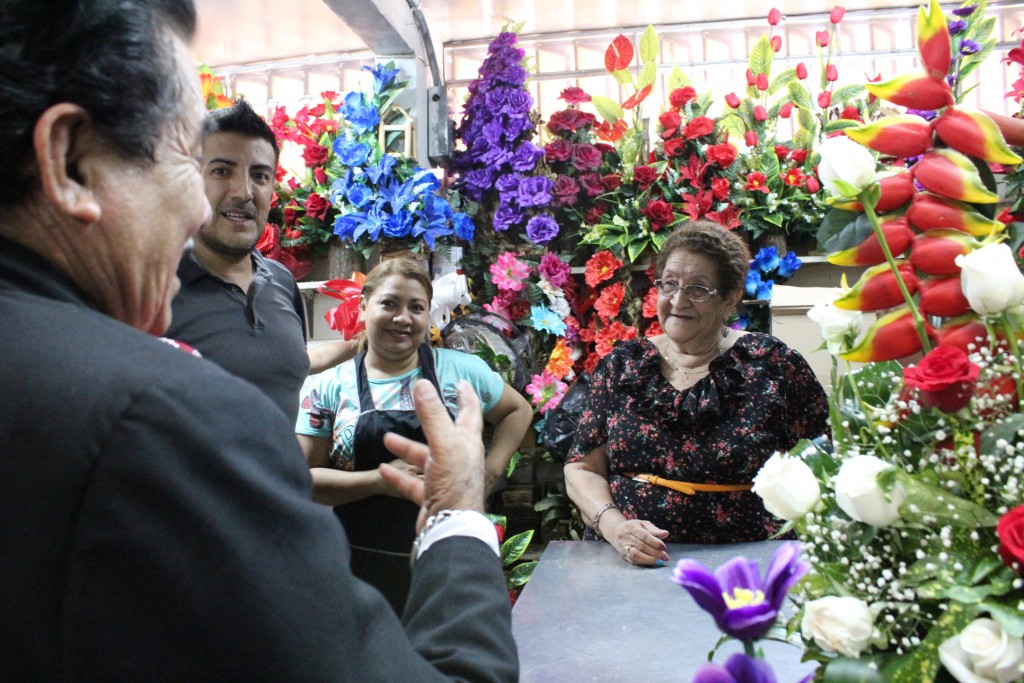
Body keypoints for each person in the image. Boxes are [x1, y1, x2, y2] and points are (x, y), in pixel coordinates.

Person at [0, 1, 518, 679]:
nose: (203, 209)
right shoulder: (163, 416)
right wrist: (455, 511)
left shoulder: (266, 289)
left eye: (259, 175)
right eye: (191, 162)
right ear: (68, 160)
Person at [564, 221, 829, 566]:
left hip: (749, 564)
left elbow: (821, 462)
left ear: (731, 298)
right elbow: (582, 468)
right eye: (669, 284)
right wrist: (616, 528)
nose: (678, 300)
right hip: (632, 564)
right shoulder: (622, 365)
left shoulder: (773, 365)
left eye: (699, 289)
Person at [296, 256, 534, 612]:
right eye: (389, 303)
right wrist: (378, 481)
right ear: (363, 307)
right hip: (358, 570)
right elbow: (306, 480)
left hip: (447, 561)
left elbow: (519, 410)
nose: (403, 318)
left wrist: (491, 469)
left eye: (416, 307)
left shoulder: (461, 371)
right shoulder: (327, 385)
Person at [165, 99, 355, 423]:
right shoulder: (155, 289)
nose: (244, 191)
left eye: (260, 175)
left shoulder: (281, 283)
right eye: (222, 171)